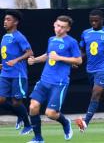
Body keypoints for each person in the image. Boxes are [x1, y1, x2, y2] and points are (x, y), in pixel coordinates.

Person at [27, 15, 82, 143]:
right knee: (33, 107)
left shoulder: (71, 42)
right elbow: (48, 55)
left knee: (50, 113)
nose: (59, 29)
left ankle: (65, 122)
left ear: (68, 29)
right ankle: (38, 138)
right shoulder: (51, 39)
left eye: (63, 27)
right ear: (54, 25)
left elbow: (78, 60)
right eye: (57, 26)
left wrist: (60, 58)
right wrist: (35, 60)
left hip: (59, 83)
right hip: (44, 81)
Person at [0, 10, 33, 135]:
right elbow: (7, 55)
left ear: (15, 22)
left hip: (17, 74)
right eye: (5, 19)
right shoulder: (5, 36)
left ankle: (28, 126)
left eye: (8, 19)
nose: (5, 21)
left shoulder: (18, 36)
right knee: (1, 100)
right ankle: (20, 114)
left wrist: (16, 60)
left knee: (16, 102)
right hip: (5, 73)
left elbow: (30, 53)